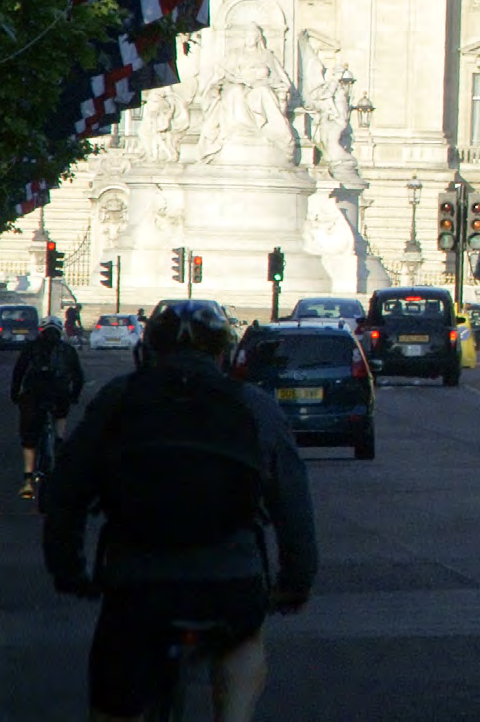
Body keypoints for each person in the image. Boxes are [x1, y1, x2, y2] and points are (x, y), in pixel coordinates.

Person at [43, 299, 317, 722]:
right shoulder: (253, 406)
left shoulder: (119, 398)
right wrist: (295, 581)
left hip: (137, 579)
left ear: (148, 349)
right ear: (222, 353)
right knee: (242, 645)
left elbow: (67, 490)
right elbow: (292, 502)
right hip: (230, 579)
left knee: (115, 694)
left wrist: (68, 568)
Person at [10, 316, 85, 498]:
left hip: (33, 395)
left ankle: (28, 474)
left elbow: (19, 372)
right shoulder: (67, 350)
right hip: (59, 394)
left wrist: (15, 394)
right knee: (60, 415)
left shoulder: (30, 348)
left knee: (29, 437)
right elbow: (78, 376)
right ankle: (59, 440)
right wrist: (74, 395)